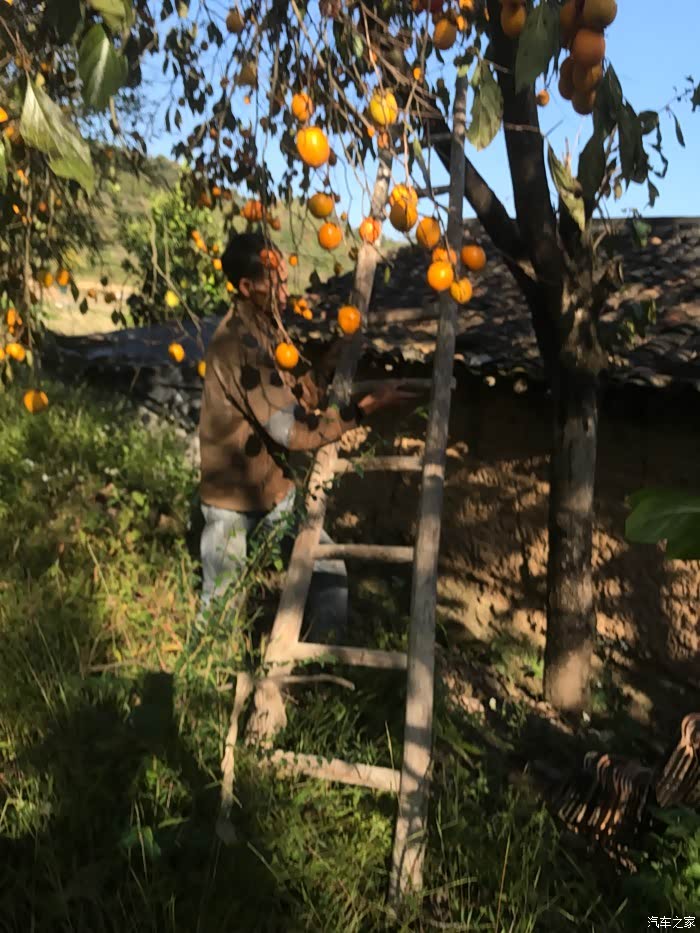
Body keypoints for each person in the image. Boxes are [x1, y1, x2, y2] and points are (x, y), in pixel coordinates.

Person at [196, 230, 417, 641]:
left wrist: (334, 354)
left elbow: (305, 395)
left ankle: (318, 664)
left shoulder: (269, 331)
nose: (285, 292)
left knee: (329, 574)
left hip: (273, 492)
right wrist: (363, 411)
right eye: (275, 283)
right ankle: (208, 675)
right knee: (221, 606)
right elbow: (293, 432)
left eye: (284, 279)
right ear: (246, 286)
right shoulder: (239, 347)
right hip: (231, 503)